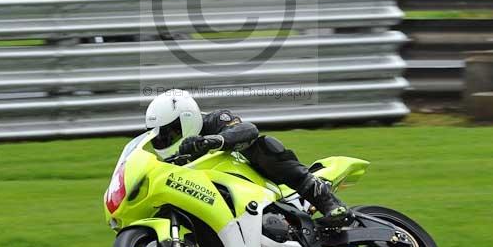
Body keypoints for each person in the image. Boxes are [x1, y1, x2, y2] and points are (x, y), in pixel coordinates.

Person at [145, 89, 353, 226]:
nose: (165, 141)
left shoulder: (215, 120)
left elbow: (247, 130)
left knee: (263, 146)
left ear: (187, 119)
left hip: (262, 186)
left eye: (170, 133)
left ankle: (329, 203)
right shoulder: (172, 160)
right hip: (217, 205)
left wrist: (213, 141)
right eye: (160, 137)